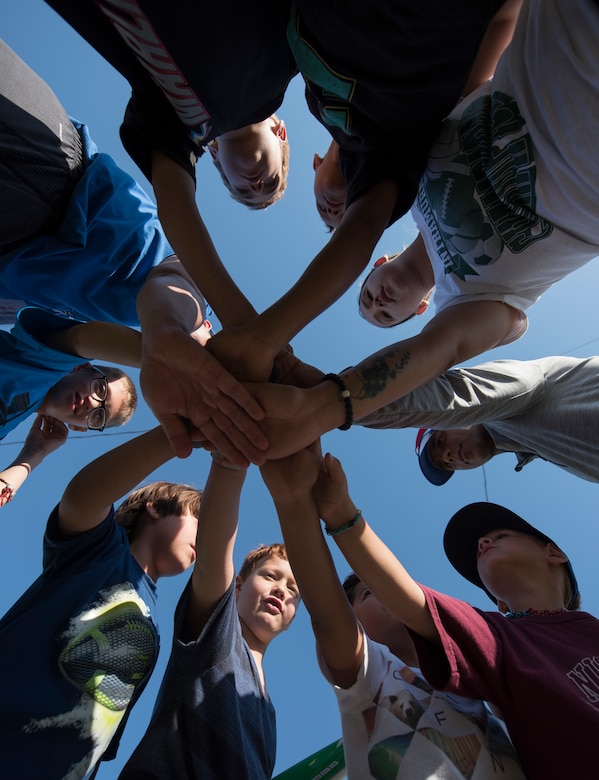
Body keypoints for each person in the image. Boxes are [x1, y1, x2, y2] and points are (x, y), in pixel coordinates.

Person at [44, 0, 517, 461]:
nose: (334, 211)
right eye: (269, 186)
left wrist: (255, 336)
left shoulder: (303, 71)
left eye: (331, 217)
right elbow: (361, 226)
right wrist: (257, 333)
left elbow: (356, 228)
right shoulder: (298, 78)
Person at [0, 39, 268, 466]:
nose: (92, 401)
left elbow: (83, 337)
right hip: (53, 168)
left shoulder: (69, 323)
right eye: (104, 388)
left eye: (100, 413)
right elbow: (174, 277)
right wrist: (177, 332)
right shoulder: (185, 297)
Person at [307, 449, 597, 779]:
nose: (484, 541)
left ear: (555, 553)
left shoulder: (589, 629)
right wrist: (342, 515)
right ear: (498, 605)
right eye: (478, 551)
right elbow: (413, 602)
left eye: (500, 535)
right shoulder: (498, 638)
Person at [261, 446, 526, 779]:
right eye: (371, 593)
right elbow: (328, 613)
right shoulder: (373, 675)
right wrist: (293, 500)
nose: (389, 597)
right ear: (354, 621)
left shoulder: (473, 680)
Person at [0, 424, 202, 779]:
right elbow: (82, 498)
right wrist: (180, 431)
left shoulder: (154, 629)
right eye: (200, 519)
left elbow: (101, 734)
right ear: (155, 508)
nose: (207, 536)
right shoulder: (101, 550)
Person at [118, 454, 300, 779]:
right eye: (271, 576)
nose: (282, 591)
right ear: (238, 587)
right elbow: (215, 552)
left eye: (293, 590)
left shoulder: (268, 710)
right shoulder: (220, 637)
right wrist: (233, 456)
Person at [349, 355, 599, 485]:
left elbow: (453, 395)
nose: (448, 457)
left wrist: (343, 400)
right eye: (446, 465)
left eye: (438, 443)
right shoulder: (536, 449)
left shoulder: (512, 395)